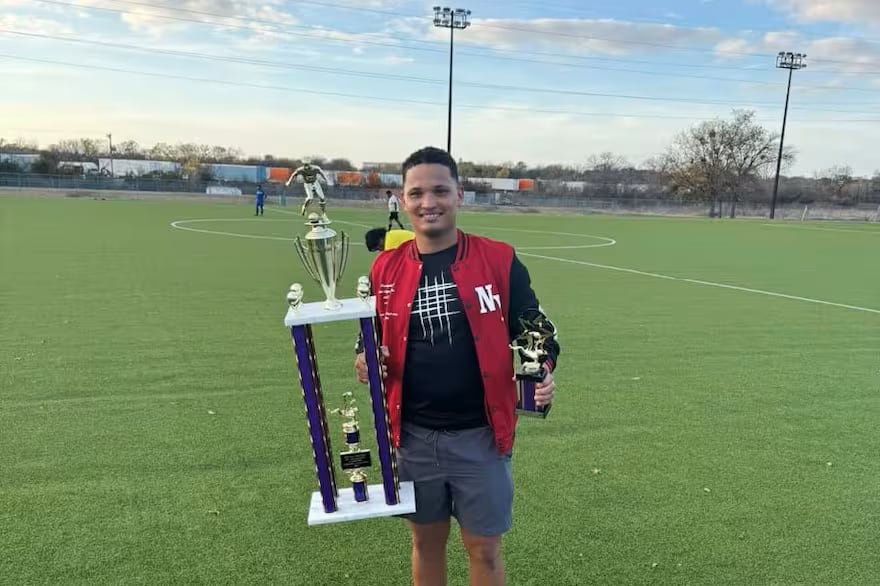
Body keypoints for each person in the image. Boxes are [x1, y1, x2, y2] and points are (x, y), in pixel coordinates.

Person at [354, 146, 560, 586]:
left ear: (459, 195)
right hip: (412, 437)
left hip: (480, 437)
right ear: (402, 199)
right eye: (418, 193)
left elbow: (536, 329)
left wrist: (542, 371)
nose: (429, 202)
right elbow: (367, 336)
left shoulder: (499, 259)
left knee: (483, 551)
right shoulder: (384, 268)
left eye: (440, 191)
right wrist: (364, 358)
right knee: (425, 544)